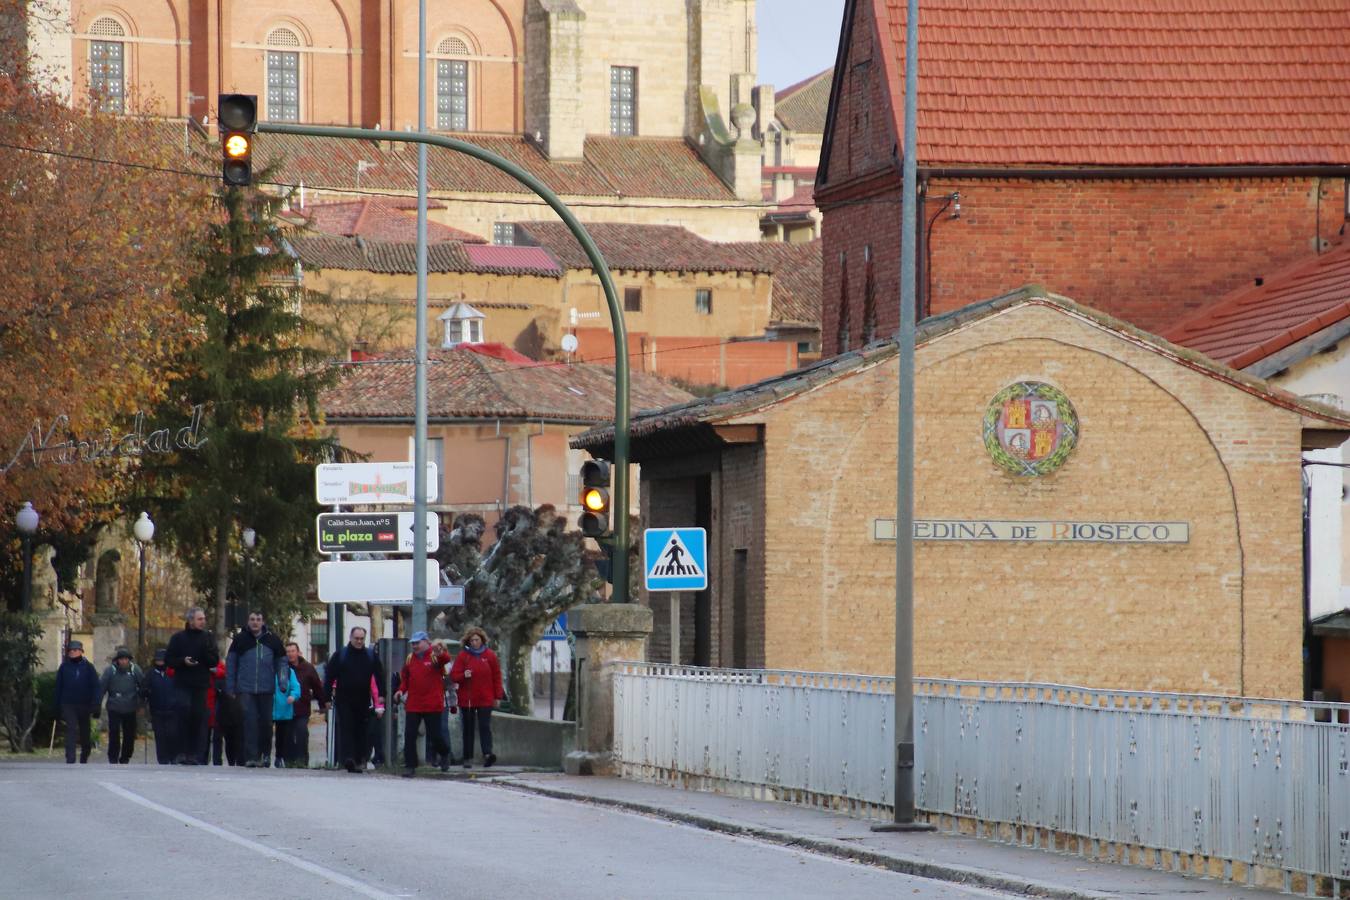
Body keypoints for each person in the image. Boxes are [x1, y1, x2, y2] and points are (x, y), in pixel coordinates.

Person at [225, 610, 289, 768]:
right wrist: (230, 687)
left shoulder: (273, 640)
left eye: (258, 619)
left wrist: (283, 682)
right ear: (248, 621)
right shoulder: (240, 640)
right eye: (252, 619)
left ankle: (265, 754)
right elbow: (231, 664)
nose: (255, 622)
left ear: (263, 621)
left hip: (266, 689)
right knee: (250, 723)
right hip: (245, 689)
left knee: (266, 723)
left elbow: (282, 663)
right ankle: (251, 757)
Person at [323, 627, 385, 774]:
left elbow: (379, 675)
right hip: (343, 699)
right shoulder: (341, 655)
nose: (359, 641)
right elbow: (329, 676)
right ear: (350, 638)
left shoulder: (370, 655)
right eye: (356, 638)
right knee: (346, 728)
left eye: (361, 639)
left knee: (361, 730)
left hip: (363, 699)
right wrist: (326, 698)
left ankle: (358, 760)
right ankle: (348, 758)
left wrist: (382, 694)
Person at [165, 606, 219, 765]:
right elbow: (169, 660)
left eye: (203, 619)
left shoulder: (208, 638)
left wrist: (204, 653)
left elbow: (214, 660)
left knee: (197, 717)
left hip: (200, 684)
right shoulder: (178, 638)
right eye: (199, 619)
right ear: (190, 621)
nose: (203, 622)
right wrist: (183, 661)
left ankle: (194, 754)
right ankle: (180, 752)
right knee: (183, 713)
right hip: (182, 683)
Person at [396, 631, 452, 777]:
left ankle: (445, 753)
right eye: (413, 643)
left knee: (435, 735)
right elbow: (405, 680)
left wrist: (440, 651)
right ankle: (410, 766)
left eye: (417, 643)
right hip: (414, 703)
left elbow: (446, 659)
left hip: (432, 703)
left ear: (426, 642)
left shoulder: (434, 657)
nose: (414, 646)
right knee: (409, 734)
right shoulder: (410, 659)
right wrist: (400, 691)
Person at [450, 627, 504, 768]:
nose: (474, 643)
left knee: (484, 726)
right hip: (467, 698)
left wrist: (497, 696)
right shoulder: (463, 656)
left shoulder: (490, 655)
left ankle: (487, 754)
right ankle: (467, 757)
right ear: (468, 641)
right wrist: (464, 675)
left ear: (482, 640)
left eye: (477, 640)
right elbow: (454, 676)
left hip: (485, 698)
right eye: (472, 640)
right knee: (468, 728)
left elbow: (497, 676)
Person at [54, 640, 99, 765]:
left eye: (75, 650)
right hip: (68, 703)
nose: (72, 652)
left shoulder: (88, 667)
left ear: (80, 651)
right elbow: (58, 687)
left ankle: (85, 754)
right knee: (71, 729)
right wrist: (56, 706)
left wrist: (96, 704)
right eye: (70, 651)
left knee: (85, 732)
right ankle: (70, 757)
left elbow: (95, 686)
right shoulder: (64, 667)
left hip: (85, 704)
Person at [99, 647, 144, 764]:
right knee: (114, 732)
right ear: (117, 660)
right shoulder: (110, 671)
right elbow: (102, 687)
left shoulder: (135, 670)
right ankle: (113, 756)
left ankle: (126, 756)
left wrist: (142, 704)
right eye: (121, 659)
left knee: (129, 734)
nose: (123, 662)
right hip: (114, 706)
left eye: (126, 659)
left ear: (129, 660)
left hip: (130, 706)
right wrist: (97, 704)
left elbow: (143, 687)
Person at [284, 642, 326, 768]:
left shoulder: (308, 668)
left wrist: (322, 703)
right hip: (286, 709)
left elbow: (317, 687)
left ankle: (302, 760)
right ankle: (289, 761)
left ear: (298, 652)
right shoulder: (282, 668)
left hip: (302, 708)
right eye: (288, 651)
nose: (290, 654)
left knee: (302, 733)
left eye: (292, 651)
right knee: (288, 735)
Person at [146, 648, 177, 765]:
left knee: (172, 734)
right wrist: (146, 692)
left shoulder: (173, 673)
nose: (160, 663)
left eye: (162, 661)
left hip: (172, 709)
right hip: (157, 710)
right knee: (160, 736)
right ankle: (162, 759)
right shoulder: (151, 674)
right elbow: (144, 688)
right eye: (158, 661)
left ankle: (173, 756)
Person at [270, 665, 300, 768]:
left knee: (281, 736)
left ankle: (279, 758)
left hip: (284, 708)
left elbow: (295, 687)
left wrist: (293, 695)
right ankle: (265, 756)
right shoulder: (266, 669)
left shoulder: (288, 671)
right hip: (267, 707)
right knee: (265, 733)